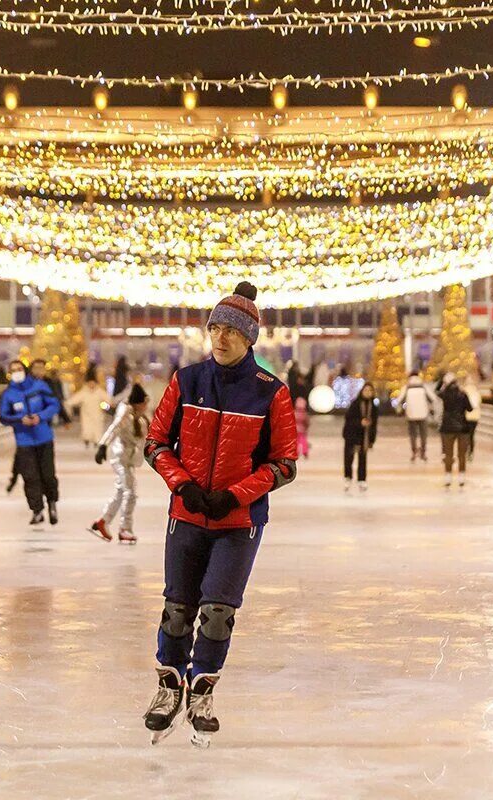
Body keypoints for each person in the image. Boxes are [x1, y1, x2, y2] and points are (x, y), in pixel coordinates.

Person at [141, 281, 298, 749]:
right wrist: (183, 485)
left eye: (231, 329)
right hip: (186, 515)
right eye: (215, 327)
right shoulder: (186, 381)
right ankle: (169, 689)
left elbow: (285, 464)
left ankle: (203, 692)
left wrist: (236, 496)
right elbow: (154, 443)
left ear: (250, 337)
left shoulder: (271, 392)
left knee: (215, 612)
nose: (221, 336)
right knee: (177, 609)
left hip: (238, 524)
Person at [0, 358, 64, 526]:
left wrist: (40, 417)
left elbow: (54, 405)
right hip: (24, 441)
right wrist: (20, 419)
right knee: (30, 477)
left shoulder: (39, 387)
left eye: (19, 369)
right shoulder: (8, 394)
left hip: (44, 438)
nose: (16, 372)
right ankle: (37, 510)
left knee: (48, 474)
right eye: (13, 370)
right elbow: (4, 416)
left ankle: (52, 503)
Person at [90, 383, 149, 545]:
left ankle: (103, 521)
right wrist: (102, 445)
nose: (146, 407)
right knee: (130, 493)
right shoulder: (126, 415)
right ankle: (125, 529)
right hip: (121, 458)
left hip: (128, 459)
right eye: (144, 403)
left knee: (121, 491)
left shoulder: (139, 417)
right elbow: (114, 428)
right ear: (138, 403)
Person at [342, 382, 379, 492]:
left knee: (363, 458)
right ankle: (348, 477)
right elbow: (348, 419)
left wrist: (372, 440)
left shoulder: (374, 407)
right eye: (366, 390)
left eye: (370, 391)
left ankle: (362, 480)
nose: (368, 393)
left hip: (364, 437)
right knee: (349, 458)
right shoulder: (355, 404)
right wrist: (360, 422)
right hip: (351, 435)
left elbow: (374, 425)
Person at [437, 373, 473, 488]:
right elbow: (470, 408)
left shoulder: (444, 394)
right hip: (463, 427)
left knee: (448, 454)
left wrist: (442, 383)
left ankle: (448, 477)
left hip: (447, 428)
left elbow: (436, 391)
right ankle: (461, 477)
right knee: (461, 454)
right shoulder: (463, 394)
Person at [68, 365, 113, 448]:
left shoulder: (99, 391)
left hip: (97, 414)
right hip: (86, 414)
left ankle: (97, 442)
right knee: (87, 429)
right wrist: (67, 403)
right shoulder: (84, 392)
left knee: (97, 429)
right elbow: (75, 399)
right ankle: (87, 441)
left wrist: (108, 405)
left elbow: (108, 400)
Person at [400, 371, 435, 463]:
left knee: (413, 435)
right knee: (423, 434)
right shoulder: (423, 386)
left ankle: (414, 452)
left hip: (410, 414)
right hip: (423, 414)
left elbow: (399, 399)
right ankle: (423, 453)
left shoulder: (407, 387)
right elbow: (433, 398)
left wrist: (403, 407)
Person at [462, 371, 484, 460]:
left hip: (466, 416)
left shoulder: (463, 391)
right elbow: (479, 403)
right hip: (475, 416)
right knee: (472, 435)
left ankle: (465, 450)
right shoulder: (476, 392)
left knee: (465, 435)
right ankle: (470, 452)